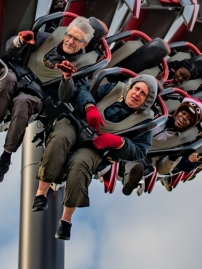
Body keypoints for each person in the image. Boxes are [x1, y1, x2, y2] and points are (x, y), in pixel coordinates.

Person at [0, 16, 106, 183]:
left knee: (23, 102)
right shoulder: (47, 37)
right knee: (7, 79)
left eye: (76, 40)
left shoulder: (83, 67)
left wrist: (66, 78)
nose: (70, 41)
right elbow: (11, 49)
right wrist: (20, 41)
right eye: (69, 36)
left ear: (84, 44)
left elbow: (68, 95)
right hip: (17, 76)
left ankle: (5, 158)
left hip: (37, 95)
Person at [32, 73, 157, 240]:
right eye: (137, 89)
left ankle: (66, 220)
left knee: (81, 165)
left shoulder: (144, 122)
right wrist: (90, 106)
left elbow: (140, 151)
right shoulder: (113, 89)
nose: (137, 94)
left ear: (146, 101)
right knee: (60, 139)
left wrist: (118, 142)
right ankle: (41, 193)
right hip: (77, 123)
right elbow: (84, 90)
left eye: (143, 94)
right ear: (131, 86)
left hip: (97, 145)